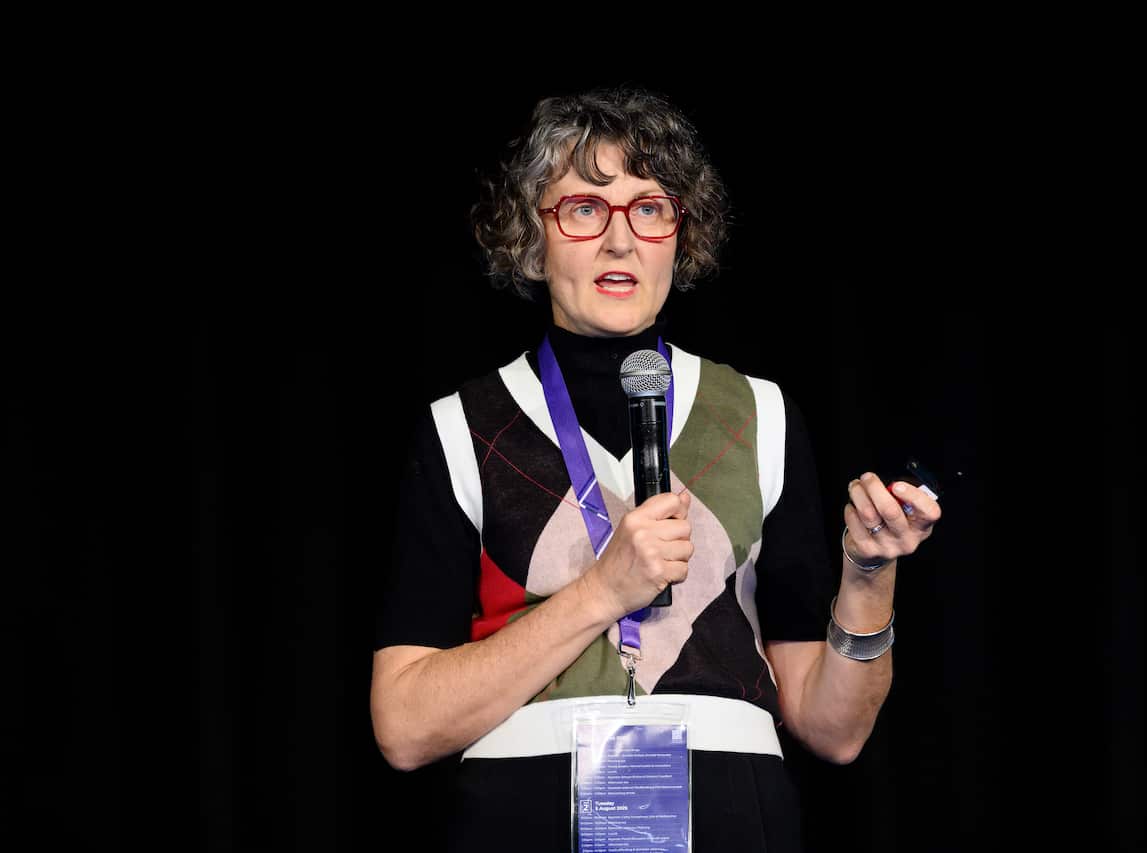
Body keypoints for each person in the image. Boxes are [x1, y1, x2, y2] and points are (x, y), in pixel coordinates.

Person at [370, 86, 941, 851]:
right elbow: (403, 726)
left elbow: (833, 729)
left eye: (649, 208)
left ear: (682, 233)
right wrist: (603, 590)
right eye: (583, 208)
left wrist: (869, 576)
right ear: (532, 240)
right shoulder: (460, 429)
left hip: (735, 810)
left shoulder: (764, 416)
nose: (619, 241)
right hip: (523, 813)